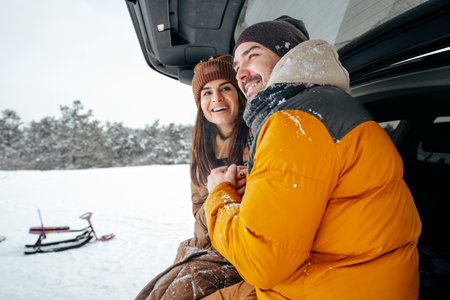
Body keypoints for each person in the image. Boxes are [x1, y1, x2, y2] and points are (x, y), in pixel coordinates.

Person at [204, 16, 422, 299]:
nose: (242, 73)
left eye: (252, 56)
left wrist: (219, 195)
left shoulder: (295, 123)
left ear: (287, 56)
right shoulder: (325, 106)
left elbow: (260, 263)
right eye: (236, 68)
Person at [135, 55, 255, 300]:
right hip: (213, 242)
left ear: (239, 94)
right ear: (199, 103)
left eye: (225, 88)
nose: (216, 99)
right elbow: (199, 214)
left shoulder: (261, 135)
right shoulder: (202, 151)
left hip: (246, 247)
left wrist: (238, 190)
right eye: (207, 93)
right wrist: (218, 193)